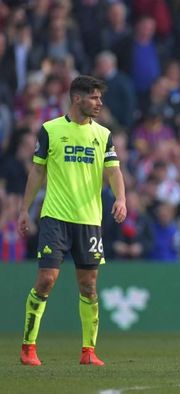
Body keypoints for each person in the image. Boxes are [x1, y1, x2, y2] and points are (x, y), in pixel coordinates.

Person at [17, 75, 127, 366]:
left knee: (89, 286)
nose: (99, 102)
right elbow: (37, 171)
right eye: (94, 97)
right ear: (76, 98)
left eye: (100, 98)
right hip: (55, 216)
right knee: (46, 280)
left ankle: (88, 352)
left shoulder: (103, 134)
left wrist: (121, 199)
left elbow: (114, 171)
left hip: (89, 220)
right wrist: (24, 210)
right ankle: (28, 346)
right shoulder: (50, 130)